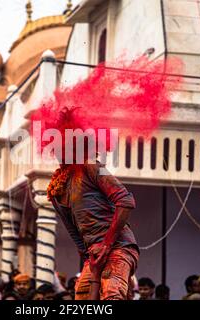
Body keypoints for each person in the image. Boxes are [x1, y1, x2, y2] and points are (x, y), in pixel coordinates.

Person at [47, 111, 139, 300]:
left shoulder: (93, 166)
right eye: (54, 145)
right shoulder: (56, 188)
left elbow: (126, 201)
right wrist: (90, 259)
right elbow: (75, 233)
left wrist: (106, 244)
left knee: (112, 294)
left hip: (120, 247)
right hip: (95, 255)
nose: (57, 150)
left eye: (61, 144)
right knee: (82, 295)